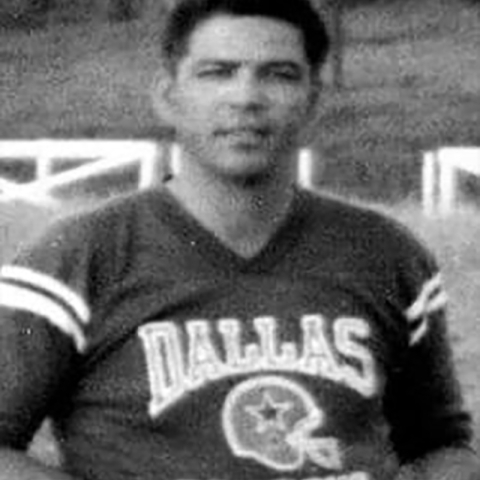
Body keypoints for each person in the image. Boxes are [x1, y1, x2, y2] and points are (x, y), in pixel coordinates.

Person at [0, 0, 478, 479]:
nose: (246, 97)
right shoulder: (78, 258)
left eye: (279, 74)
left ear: (314, 99)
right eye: (217, 72)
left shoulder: (387, 254)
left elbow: (441, 445)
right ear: (168, 95)